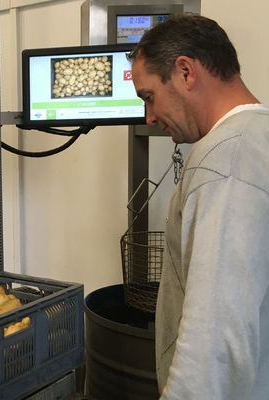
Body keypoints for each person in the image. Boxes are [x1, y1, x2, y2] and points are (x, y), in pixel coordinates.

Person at [129, 14, 269, 399]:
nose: (150, 118)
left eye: (149, 97)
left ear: (186, 71)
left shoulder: (224, 161)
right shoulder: (260, 137)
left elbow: (215, 334)